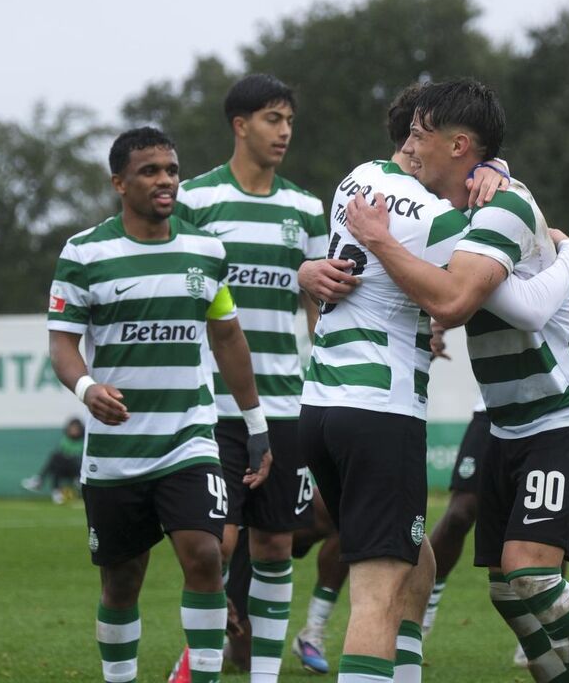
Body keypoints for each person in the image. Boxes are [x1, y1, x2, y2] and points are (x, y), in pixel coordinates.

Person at [296, 81, 569, 683]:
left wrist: (493, 169)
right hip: (380, 409)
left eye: (419, 132)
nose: (413, 142)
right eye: (415, 132)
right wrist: (558, 240)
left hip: (317, 405)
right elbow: (489, 293)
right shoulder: (442, 217)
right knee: (377, 593)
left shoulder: (354, 179)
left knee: (417, 561)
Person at [46, 127, 272, 683]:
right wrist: (87, 390)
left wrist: (256, 422)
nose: (165, 180)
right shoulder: (84, 253)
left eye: (171, 169)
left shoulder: (205, 250)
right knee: (121, 581)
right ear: (119, 183)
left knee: (205, 554)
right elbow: (62, 345)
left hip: (189, 438)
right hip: (116, 453)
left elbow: (228, 339)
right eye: (150, 171)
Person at [422, 198, 569, 662]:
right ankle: (428, 608)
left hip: (565, 415)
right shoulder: (557, 255)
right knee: (461, 512)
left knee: (534, 544)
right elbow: (483, 279)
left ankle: (542, 624)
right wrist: (436, 323)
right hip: (498, 410)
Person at [171, 73, 328, 683]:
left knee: (275, 545)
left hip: (285, 406)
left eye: (288, 120)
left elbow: (320, 312)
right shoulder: (196, 201)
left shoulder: (305, 209)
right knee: (216, 546)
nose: (284, 131)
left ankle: (262, 674)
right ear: (240, 125)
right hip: (211, 406)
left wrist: (324, 384)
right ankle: (198, 661)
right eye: (271, 119)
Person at [22, 417, 85, 503]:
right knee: (55, 465)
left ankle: (39, 480)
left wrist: (69, 457)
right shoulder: (65, 440)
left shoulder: (83, 441)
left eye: (76, 428)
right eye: (72, 428)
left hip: (78, 470)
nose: (73, 430)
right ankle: (56, 493)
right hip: (64, 469)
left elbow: (79, 456)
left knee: (57, 457)